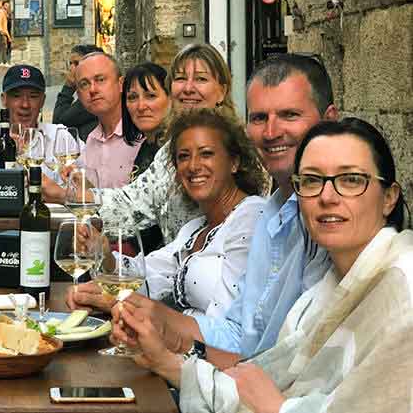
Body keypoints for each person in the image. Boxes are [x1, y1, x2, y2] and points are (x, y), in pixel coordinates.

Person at [116, 118, 411, 413]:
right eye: (311, 180)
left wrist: (277, 409)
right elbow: (264, 376)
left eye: (351, 180)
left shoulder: (402, 292)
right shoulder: (326, 283)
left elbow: (268, 392)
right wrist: (166, 356)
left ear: (389, 197)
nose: (327, 196)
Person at [111, 54, 338, 369]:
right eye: (259, 118)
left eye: (289, 114)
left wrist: (169, 343)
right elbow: (242, 336)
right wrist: (158, 325)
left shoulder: (278, 215)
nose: (271, 131)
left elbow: (288, 367)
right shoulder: (274, 216)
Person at [69, 109, 266, 321]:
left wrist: (129, 305)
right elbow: (146, 278)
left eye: (206, 153)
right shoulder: (195, 229)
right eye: (183, 156)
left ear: (234, 162)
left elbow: (229, 325)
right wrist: (104, 254)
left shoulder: (252, 217)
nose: (193, 166)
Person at [94, 43, 238, 242]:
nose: (188, 88)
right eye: (180, 78)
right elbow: (132, 204)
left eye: (201, 79)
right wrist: (69, 196)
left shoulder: (237, 149)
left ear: (222, 91)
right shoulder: (168, 151)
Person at [1, 63, 85, 183]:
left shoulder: (60, 136)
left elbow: (92, 184)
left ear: (43, 101)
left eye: (33, 96)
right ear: (4, 100)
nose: (25, 104)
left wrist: (77, 180)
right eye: (16, 96)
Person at [75, 52, 141, 188]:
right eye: (84, 84)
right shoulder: (91, 141)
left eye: (100, 79)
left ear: (121, 84)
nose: (92, 89)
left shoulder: (141, 134)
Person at [122, 62, 170, 176]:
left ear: (170, 99)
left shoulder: (173, 151)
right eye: (132, 97)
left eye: (151, 96)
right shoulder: (146, 146)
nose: (141, 106)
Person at [52, 44, 101, 141]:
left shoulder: (94, 95)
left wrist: (68, 86)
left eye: (76, 63)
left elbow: (59, 123)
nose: (71, 68)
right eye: (70, 63)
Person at [0, 0, 12, 66]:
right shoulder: (1, 12)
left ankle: (0, 62)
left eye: (8, 6)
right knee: (3, 47)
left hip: (2, 31)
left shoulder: (4, 12)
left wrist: (8, 36)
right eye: (6, 5)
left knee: (1, 47)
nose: (7, 7)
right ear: (3, 5)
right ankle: (3, 62)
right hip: (1, 32)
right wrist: (1, 31)